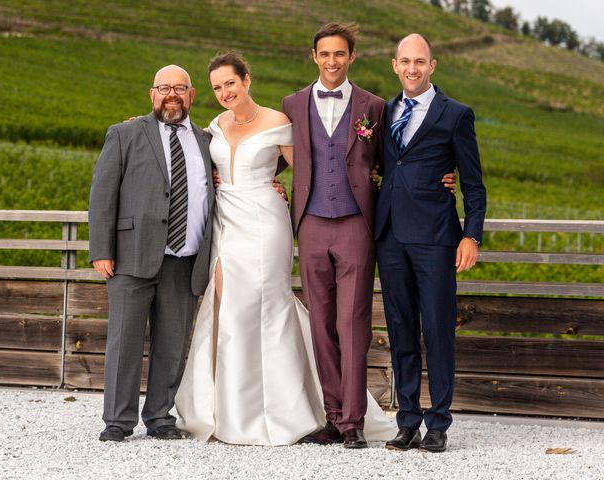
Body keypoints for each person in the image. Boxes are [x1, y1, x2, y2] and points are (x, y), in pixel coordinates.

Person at [174, 51, 394, 446]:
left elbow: (309, 168)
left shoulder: (278, 121)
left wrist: (369, 175)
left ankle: (283, 409)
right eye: (218, 87)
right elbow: (203, 168)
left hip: (265, 220)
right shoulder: (216, 125)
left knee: (264, 301)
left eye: (231, 83)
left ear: (247, 80)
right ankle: (226, 406)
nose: (225, 92)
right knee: (225, 300)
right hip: (227, 220)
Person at [281, 23, 456, 449]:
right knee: (321, 325)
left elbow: (396, 159)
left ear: (352, 57)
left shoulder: (374, 107)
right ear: (314, 56)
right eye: (325, 54)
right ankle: (333, 417)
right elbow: (275, 153)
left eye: (340, 54)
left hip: (359, 224)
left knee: (353, 322)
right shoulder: (291, 104)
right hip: (310, 224)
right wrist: (247, 177)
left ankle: (354, 421)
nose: (332, 61)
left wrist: (442, 178)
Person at [89, 65, 215, 442]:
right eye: (164, 88)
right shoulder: (125, 133)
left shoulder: (209, 142)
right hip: (130, 256)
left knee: (173, 344)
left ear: (192, 95)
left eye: (180, 88)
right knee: (124, 341)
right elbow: (102, 194)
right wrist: (101, 249)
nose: (171, 94)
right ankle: (118, 420)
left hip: (185, 258)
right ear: (152, 94)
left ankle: (160, 417)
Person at [376, 33, 487, 453]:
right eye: (405, 61)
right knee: (401, 329)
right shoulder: (384, 112)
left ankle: (439, 421)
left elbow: (474, 185)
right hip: (389, 237)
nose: (412, 68)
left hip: (437, 239)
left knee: (439, 331)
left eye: (419, 62)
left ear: (432, 66)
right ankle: (407, 420)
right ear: (395, 64)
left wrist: (471, 234)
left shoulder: (456, 114)